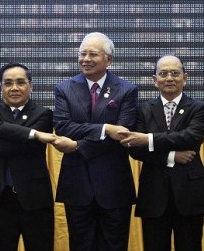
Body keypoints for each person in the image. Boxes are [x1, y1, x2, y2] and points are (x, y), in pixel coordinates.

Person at [52, 32, 138, 250]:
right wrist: (105, 128)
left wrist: (78, 145)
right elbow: (63, 127)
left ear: (108, 60)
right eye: (82, 54)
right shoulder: (64, 89)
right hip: (77, 184)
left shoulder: (127, 90)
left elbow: (123, 135)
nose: (86, 59)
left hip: (113, 186)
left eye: (93, 54)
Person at [118, 55, 204, 251]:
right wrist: (171, 156)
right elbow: (136, 149)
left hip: (189, 195)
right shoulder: (142, 110)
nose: (169, 78)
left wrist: (148, 139)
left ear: (185, 78)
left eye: (175, 73)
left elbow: (191, 138)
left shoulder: (199, 108)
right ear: (155, 80)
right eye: (163, 73)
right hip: (153, 194)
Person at [0, 62, 56, 251]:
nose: (14, 88)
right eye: (8, 83)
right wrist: (32, 133)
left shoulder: (44, 114)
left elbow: (27, 147)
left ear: (31, 86)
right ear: (1, 87)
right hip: (0, 197)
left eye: (20, 82)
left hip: (35, 197)